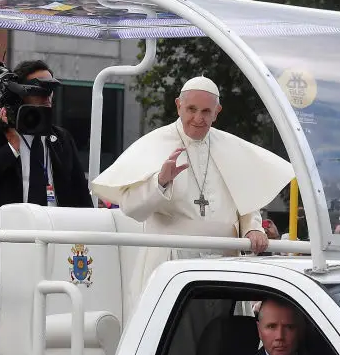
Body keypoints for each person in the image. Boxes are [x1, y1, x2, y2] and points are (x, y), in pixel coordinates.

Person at [90, 76, 295, 316]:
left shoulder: (230, 147)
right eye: (191, 109)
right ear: (179, 105)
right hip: (171, 260)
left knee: (221, 340)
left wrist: (253, 228)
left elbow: (245, 198)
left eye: (206, 111)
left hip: (224, 260)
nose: (198, 118)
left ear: (217, 112)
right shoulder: (155, 143)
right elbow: (133, 209)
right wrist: (161, 182)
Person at [0, 61, 92, 322]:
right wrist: (10, 147)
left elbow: (81, 199)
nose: (46, 99)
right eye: (39, 91)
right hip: (2, 259)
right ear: (18, 93)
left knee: (53, 325)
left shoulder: (61, 139)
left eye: (50, 92)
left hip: (53, 253)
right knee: (5, 333)